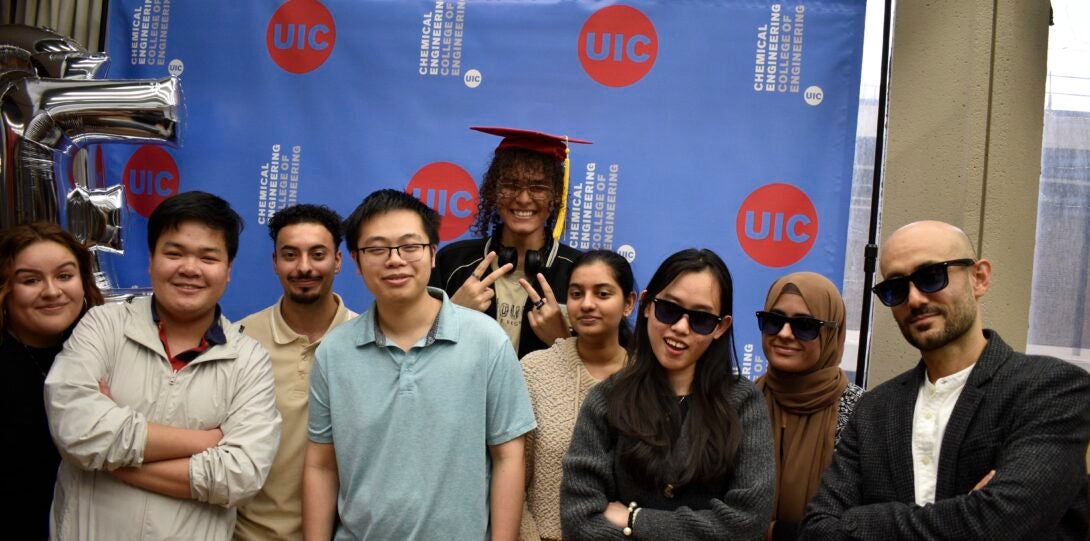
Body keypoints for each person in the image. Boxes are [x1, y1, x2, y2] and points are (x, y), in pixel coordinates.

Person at [800, 220, 1090, 540]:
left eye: (930, 276)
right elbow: (817, 529)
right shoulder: (874, 410)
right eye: (895, 288)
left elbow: (1001, 524)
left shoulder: (1051, 388)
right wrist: (967, 510)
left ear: (979, 278)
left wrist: (858, 522)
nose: (915, 299)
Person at [44, 191, 282, 541]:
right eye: (175, 253)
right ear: (151, 260)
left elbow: (241, 475)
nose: (190, 268)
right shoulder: (104, 325)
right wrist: (205, 442)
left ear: (228, 271)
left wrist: (114, 462)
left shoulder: (248, 360)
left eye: (208, 257)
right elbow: (77, 428)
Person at [302, 189, 537, 540]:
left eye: (410, 246)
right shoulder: (334, 352)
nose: (395, 260)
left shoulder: (487, 341)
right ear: (355, 260)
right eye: (377, 249)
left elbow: (508, 458)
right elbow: (321, 466)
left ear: (432, 254)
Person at [561, 248, 775, 540]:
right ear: (647, 305)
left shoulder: (743, 403)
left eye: (700, 319)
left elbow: (748, 521)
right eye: (669, 310)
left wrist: (636, 519)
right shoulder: (606, 399)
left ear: (720, 327)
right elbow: (580, 518)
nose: (680, 328)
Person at [235, 204, 357, 541]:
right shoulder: (238, 340)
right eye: (290, 255)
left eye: (317, 254)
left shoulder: (367, 343)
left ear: (338, 260)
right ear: (275, 262)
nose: (304, 267)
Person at [432, 126, 588, 358]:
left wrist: (563, 340)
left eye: (538, 187)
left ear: (556, 195)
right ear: (494, 191)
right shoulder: (452, 262)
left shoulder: (579, 271)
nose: (523, 198)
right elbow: (415, 351)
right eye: (511, 185)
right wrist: (452, 315)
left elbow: (598, 371)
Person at [520, 250, 637, 540]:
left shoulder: (647, 382)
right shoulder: (534, 370)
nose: (587, 304)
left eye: (602, 294)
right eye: (576, 293)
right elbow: (510, 477)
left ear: (629, 303)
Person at [0, 222, 104, 539]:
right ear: (6, 289)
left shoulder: (103, 352)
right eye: (31, 280)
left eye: (64, 275)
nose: (52, 291)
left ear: (84, 282)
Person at [753, 272, 863, 541]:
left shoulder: (861, 413)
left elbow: (860, 523)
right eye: (774, 321)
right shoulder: (742, 402)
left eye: (804, 325)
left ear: (831, 334)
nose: (784, 334)